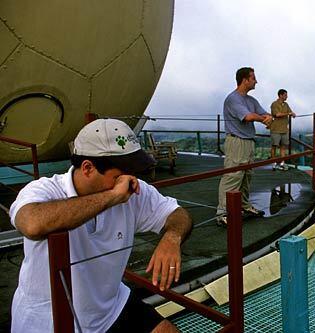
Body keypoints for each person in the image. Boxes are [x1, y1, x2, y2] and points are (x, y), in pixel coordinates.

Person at [9, 119, 192, 333]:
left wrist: (172, 238)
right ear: (87, 168)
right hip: (48, 320)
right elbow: (32, 223)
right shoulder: (44, 190)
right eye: (119, 176)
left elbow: (178, 214)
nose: (129, 181)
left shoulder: (131, 190)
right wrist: (112, 196)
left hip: (110, 307)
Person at [216, 67, 273, 226]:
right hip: (236, 141)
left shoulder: (251, 101)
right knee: (233, 176)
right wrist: (263, 119)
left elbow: (265, 114)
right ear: (245, 80)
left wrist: (267, 118)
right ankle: (223, 213)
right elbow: (248, 116)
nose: (256, 81)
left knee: (246, 176)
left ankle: (244, 205)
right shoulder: (233, 99)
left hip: (248, 141)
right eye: (253, 78)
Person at [269, 89, 296, 171]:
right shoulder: (274, 104)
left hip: (284, 129)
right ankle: (273, 163)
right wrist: (289, 114)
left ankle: (282, 163)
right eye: (285, 95)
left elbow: (291, 112)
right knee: (274, 146)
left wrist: (293, 114)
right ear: (280, 95)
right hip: (276, 129)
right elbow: (277, 114)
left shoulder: (286, 104)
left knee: (283, 147)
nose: (287, 96)